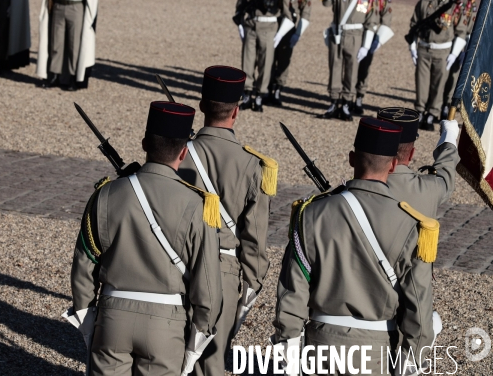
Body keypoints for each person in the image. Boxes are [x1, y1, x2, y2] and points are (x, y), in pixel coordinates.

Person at [273, 117, 439, 374]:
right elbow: (418, 304)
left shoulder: (311, 213)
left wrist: (288, 346)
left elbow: (293, 288)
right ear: (393, 165)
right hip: (377, 350)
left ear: (352, 158)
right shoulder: (410, 224)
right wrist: (411, 362)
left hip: (320, 344)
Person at [69, 101, 223, 375]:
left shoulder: (105, 195)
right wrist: (198, 337)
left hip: (112, 316)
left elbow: (84, 263)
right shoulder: (197, 205)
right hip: (165, 325)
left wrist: (88, 319)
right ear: (183, 152)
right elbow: (208, 285)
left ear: (144, 143)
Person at [178, 65, 274, 375]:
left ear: (202, 106)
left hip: (179, 263)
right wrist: (253, 281)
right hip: (224, 270)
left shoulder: (178, 154)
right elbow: (255, 236)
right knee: (212, 362)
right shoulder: (253, 164)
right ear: (237, 109)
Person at [409, 0, 468, 131]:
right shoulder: (424, 2)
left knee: (438, 84)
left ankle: (432, 113)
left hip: (444, 50)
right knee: (421, 82)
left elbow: (461, 32)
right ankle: (420, 111)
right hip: (424, 47)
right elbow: (414, 25)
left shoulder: (456, 6)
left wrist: (455, 53)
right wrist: (413, 48)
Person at [377, 107, 460, 218]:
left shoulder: (353, 191)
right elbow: (445, 176)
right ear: (411, 153)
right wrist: (449, 136)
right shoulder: (431, 189)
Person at [319, 0, 377, 121]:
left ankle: (346, 103)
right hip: (337, 33)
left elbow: (371, 22)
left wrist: (366, 46)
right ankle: (333, 102)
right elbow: (326, 2)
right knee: (335, 67)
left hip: (355, 36)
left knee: (352, 69)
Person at [234, 0, 293, 112]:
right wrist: (241, 26)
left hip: (268, 28)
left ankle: (260, 94)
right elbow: (240, 6)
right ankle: (247, 93)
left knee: (265, 64)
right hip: (250, 26)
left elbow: (287, 13)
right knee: (247, 62)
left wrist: (279, 34)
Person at [37, 0, 98, 91]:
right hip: (58, 5)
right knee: (56, 43)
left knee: (74, 44)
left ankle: (73, 77)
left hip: (76, 6)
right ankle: (54, 75)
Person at [265, 0, 312, 107]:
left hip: (289, 27)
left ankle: (278, 90)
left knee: (283, 59)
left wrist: (298, 33)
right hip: (272, 24)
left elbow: (306, 12)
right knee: (268, 58)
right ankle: (267, 88)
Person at [353, 0, 394, 114]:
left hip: (371, 35)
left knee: (364, 67)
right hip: (353, 32)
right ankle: (345, 97)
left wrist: (378, 40)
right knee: (348, 65)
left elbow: (387, 18)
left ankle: (359, 97)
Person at [441, 0, 477, 120]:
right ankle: (434, 105)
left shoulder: (468, 3)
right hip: (444, 42)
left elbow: (470, 28)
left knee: (453, 78)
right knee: (438, 77)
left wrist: (464, 50)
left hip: (459, 44)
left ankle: (446, 105)